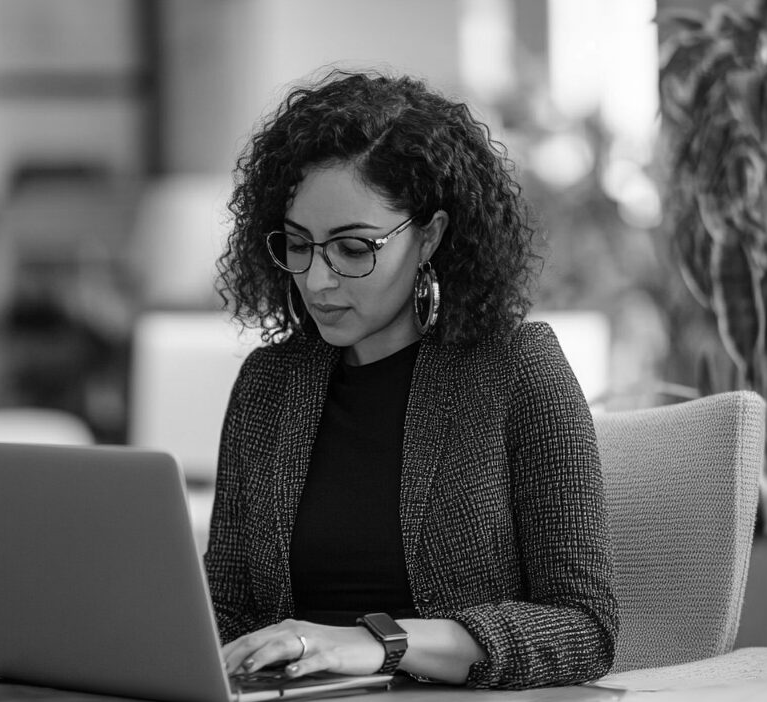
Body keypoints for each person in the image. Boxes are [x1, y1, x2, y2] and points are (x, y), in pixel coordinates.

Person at [207, 70, 617, 690]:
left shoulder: (515, 370)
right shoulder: (270, 387)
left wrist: (376, 644)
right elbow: (225, 607)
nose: (317, 280)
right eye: (298, 244)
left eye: (352, 249)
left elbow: (584, 628)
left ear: (429, 235)